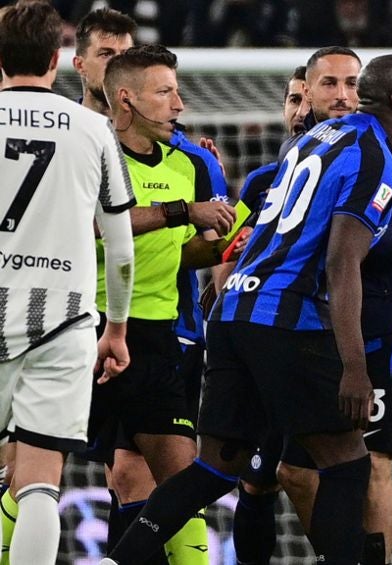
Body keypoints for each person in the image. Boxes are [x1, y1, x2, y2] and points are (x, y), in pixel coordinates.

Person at [99, 53, 392, 565]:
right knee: (347, 462)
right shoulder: (376, 157)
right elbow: (343, 261)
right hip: (287, 317)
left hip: (234, 312)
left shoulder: (312, 140)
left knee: (215, 468)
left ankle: (116, 561)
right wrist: (354, 366)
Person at [0, 2, 134, 563]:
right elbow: (122, 250)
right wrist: (118, 329)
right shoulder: (94, 128)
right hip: (63, 320)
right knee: (37, 483)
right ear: (58, 59)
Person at [93, 44, 237, 565]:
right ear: (126, 99)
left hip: (155, 335)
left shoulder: (193, 163)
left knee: (183, 477)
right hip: (80, 329)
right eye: (165, 92)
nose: (179, 103)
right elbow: (93, 225)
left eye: (177, 91)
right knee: (28, 471)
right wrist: (180, 211)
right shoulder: (93, 149)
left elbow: (190, 251)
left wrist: (228, 240)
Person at [228, 64, 309, 564]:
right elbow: (229, 256)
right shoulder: (261, 182)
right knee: (255, 480)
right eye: (292, 100)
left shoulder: (358, 167)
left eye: (309, 98)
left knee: (322, 475)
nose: (300, 112)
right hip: (261, 344)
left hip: (321, 345)